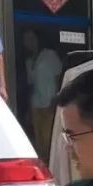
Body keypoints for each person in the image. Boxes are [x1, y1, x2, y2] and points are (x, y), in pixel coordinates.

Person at [22, 29, 62, 159]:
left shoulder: (49, 55)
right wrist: (29, 109)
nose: (29, 42)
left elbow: (59, 78)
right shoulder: (28, 61)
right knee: (38, 141)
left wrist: (56, 100)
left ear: (38, 38)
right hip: (35, 104)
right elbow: (31, 85)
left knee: (49, 140)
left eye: (31, 38)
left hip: (49, 103)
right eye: (26, 40)